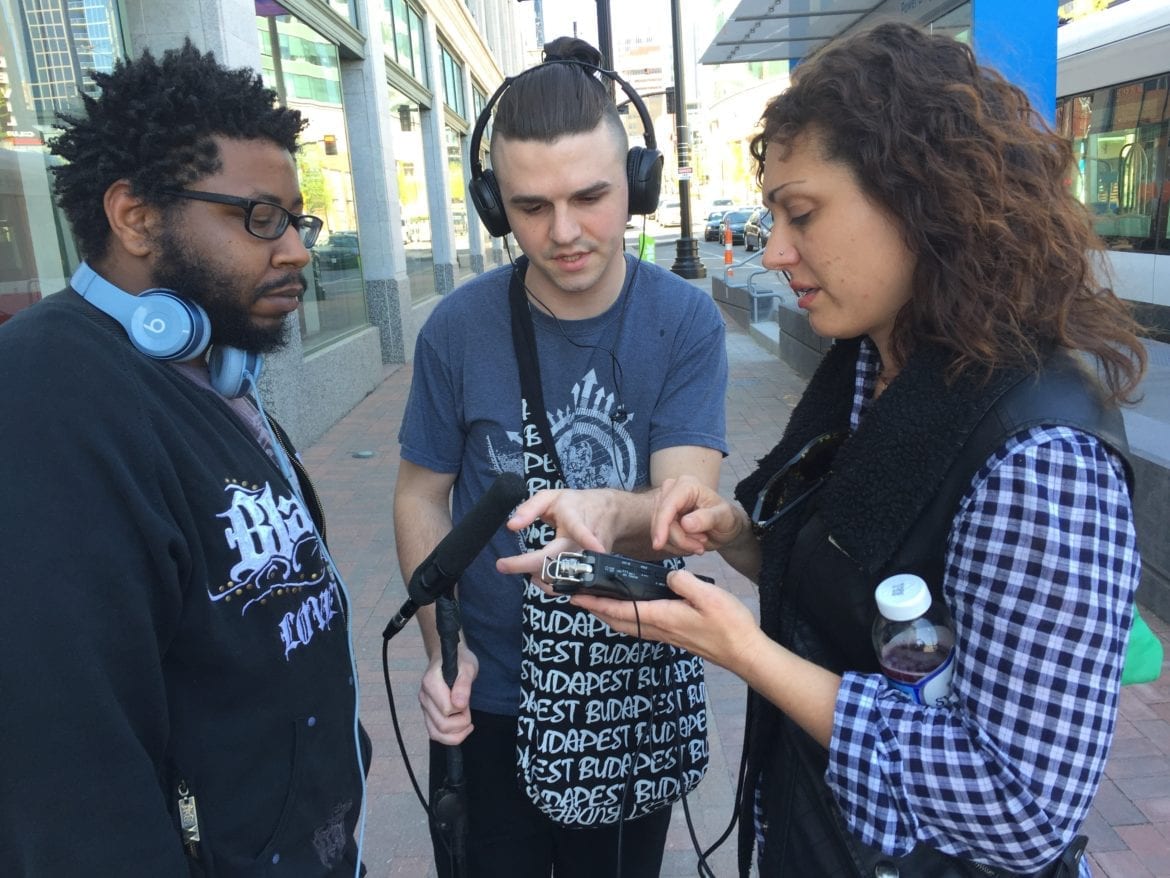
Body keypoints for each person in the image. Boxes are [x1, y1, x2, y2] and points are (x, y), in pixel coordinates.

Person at [499, 22, 1147, 878]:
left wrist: (747, 655)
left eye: (800, 214)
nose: (772, 252)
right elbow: (848, 578)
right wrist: (730, 527)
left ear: (923, 198)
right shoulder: (870, 363)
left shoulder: (1044, 457)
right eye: (772, 215)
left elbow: (1019, 804)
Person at [0, 43, 368, 875]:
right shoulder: (45, 399)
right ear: (134, 217)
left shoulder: (208, 370)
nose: (297, 250)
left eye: (295, 220)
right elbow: (69, 775)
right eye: (258, 217)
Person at [393, 37, 729, 878]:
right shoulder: (455, 330)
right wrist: (444, 647)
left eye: (592, 197)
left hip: (625, 697)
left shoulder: (686, 323)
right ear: (496, 204)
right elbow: (419, 496)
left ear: (638, 188)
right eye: (532, 206)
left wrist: (612, 521)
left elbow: (680, 510)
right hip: (487, 698)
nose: (565, 232)